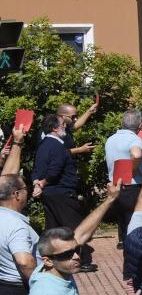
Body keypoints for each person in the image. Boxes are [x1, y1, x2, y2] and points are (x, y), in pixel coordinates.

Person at [34, 112, 98, 271]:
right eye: (63, 124)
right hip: (63, 193)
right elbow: (54, 170)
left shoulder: (43, 144)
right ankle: (78, 261)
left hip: (50, 195)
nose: (65, 127)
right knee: (75, 228)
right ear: (55, 128)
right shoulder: (57, 146)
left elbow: (37, 169)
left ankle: (54, 260)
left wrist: (37, 183)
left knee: (53, 229)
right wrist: (43, 182)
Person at [0, 171, 38, 295]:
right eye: (25, 189)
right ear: (16, 194)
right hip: (18, 290)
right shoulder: (16, 225)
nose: (27, 193)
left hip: (2, 287)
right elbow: (24, 261)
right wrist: (40, 283)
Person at [104, 108, 142, 248]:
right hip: (132, 185)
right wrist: (132, 170)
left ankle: (123, 242)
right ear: (140, 125)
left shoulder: (111, 139)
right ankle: (134, 245)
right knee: (133, 218)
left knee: (122, 218)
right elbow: (136, 154)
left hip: (115, 184)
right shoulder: (135, 139)